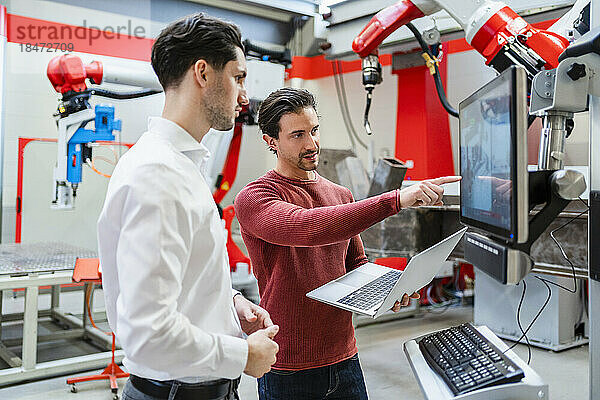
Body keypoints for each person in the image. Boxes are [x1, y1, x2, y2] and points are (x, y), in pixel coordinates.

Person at [234, 87, 460, 400]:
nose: (312, 144)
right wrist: (396, 199)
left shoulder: (340, 194)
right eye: (297, 135)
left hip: (344, 358)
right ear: (271, 141)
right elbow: (309, 228)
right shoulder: (255, 197)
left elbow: (356, 263)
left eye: (314, 131)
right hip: (287, 363)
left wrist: (386, 291)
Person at [98, 14, 279, 400]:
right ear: (203, 73)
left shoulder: (180, 165)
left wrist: (230, 304)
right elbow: (149, 333)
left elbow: (183, 276)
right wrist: (243, 354)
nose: (244, 96)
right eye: (239, 77)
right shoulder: (159, 175)